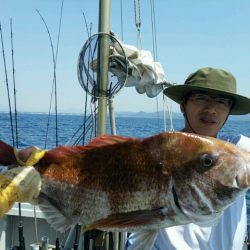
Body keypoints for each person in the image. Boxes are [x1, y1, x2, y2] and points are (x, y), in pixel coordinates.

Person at [127, 67, 250, 250]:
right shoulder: (157, 155)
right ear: (183, 105)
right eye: (201, 98)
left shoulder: (237, 149)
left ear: (229, 111)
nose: (211, 109)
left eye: (222, 102)